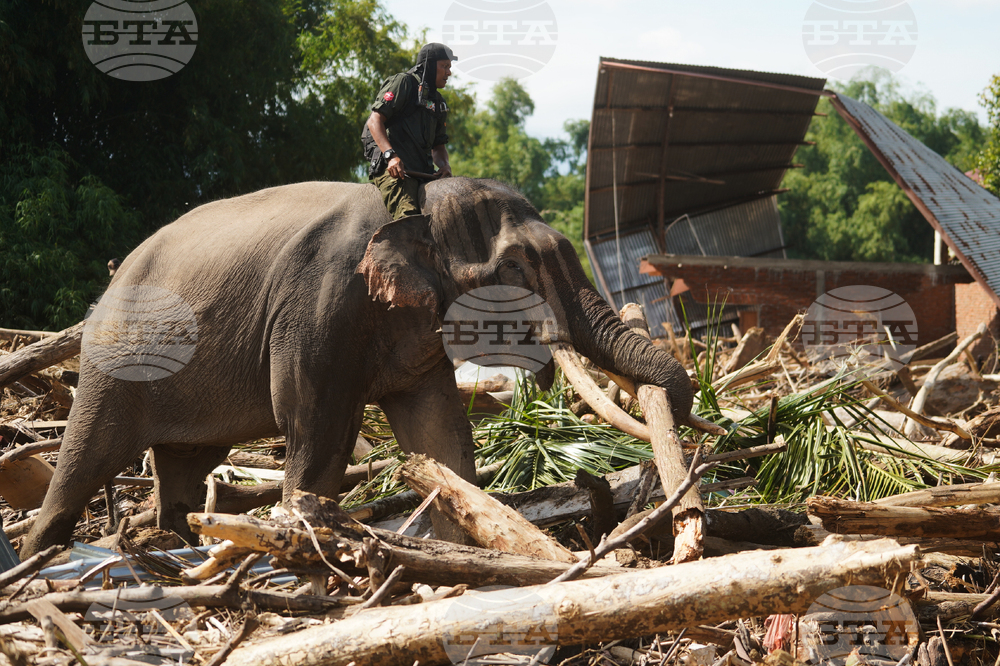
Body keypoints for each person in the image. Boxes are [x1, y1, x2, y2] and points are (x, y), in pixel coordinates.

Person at [361, 43, 457, 220]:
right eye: (444, 66)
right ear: (429, 65)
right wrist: (390, 156)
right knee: (409, 219)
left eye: (449, 68)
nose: (449, 73)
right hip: (394, 171)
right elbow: (374, 121)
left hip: (423, 173)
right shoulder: (403, 83)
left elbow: (438, 146)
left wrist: (444, 165)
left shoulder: (438, 102)